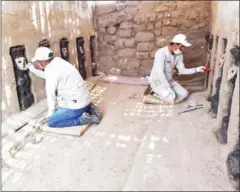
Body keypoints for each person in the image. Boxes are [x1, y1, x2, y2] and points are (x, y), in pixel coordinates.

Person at [27, 47, 102, 128]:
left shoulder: (51, 70)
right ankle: (90, 109)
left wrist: (51, 112)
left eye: (38, 61)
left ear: (43, 61)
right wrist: (33, 70)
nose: (38, 63)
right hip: (85, 100)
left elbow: (50, 93)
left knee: (52, 122)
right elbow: (49, 77)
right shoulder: (58, 61)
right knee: (63, 107)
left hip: (77, 106)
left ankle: (83, 119)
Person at [149, 34, 205, 103]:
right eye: (181, 47)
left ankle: (167, 93)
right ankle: (154, 92)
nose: (182, 49)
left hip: (170, 81)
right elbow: (159, 72)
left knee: (184, 94)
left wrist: (196, 69)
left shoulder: (179, 55)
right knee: (171, 98)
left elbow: (182, 70)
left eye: (183, 47)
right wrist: (167, 87)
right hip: (157, 81)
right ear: (175, 44)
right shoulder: (161, 53)